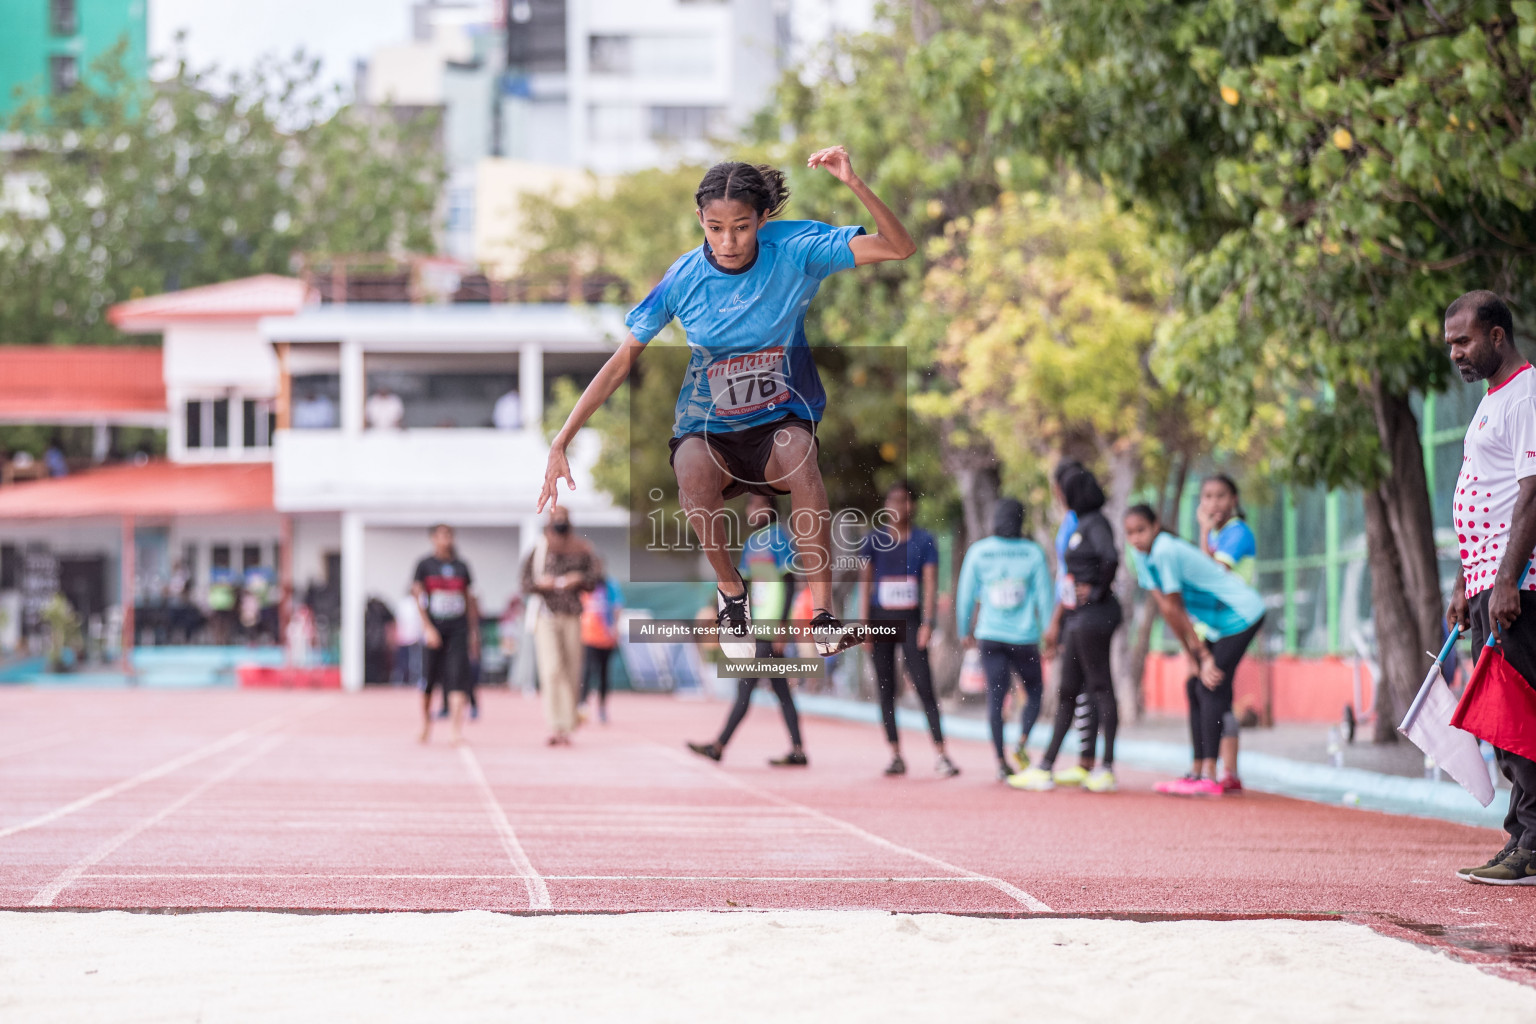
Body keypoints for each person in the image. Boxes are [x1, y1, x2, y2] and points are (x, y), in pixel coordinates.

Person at [536, 149, 917, 664]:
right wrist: (562, 439)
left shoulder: (798, 249)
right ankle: (731, 592)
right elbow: (620, 363)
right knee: (689, 465)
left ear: (762, 220)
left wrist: (855, 181)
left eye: (741, 227)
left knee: (799, 451)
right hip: (710, 428)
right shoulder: (684, 279)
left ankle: (823, 617)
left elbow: (899, 246)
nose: (729, 242)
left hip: (779, 420)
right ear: (701, 222)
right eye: (715, 229)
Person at [1443, 290, 1536, 885]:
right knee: (1503, 722)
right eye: (1451, 343)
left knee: (1521, 717)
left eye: (1465, 340)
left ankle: (1533, 845)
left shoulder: (1527, 391)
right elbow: (1483, 495)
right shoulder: (1491, 398)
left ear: (1497, 335)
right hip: (1485, 585)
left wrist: (1504, 582)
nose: (1456, 353)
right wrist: (1463, 581)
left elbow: (1531, 492)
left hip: (1516, 588)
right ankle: (1521, 837)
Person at [1125, 505, 1265, 795]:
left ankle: (1211, 776)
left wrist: (1202, 656)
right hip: (1220, 625)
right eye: (1129, 533)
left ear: (1155, 527)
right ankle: (1197, 770)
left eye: (1141, 530)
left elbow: (1176, 607)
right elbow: (1167, 610)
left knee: (1209, 686)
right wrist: (1193, 656)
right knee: (1194, 685)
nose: (1136, 538)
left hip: (1243, 614)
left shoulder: (1164, 550)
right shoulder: (1141, 556)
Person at [1014, 465, 1124, 793]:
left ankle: (1106, 768)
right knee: (1067, 691)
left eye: (1061, 490)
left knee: (1101, 687)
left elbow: (1111, 558)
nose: (1058, 496)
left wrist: (1096, 590)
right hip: (1077, 619)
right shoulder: (1079, 525)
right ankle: (1046, 766)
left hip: (1095, 617)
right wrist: (1060, 623)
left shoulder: (1096, 523)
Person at [688, 493, 809, 766]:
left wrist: (782, 626)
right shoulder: (753, 543)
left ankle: (719, 746)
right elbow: (745, 588)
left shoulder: (779, 538)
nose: (751, 511)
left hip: (770, 629)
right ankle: (798, 750)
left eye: (757, 505)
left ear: (769, 509)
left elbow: (789, 583)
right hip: (757, 627)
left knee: (746, 688)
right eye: (749, 506)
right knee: (781, 691)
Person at [859, 482, 960, 778]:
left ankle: (942, 754)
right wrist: (864, 626)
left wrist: (928, 623)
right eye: (892, 500)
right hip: (879, 619)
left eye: (903, 501)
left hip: (911, 620)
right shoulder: (873, 540)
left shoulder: (924, 541)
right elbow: (865, 583)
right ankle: (895, 754)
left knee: (924, 685)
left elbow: (930, 584)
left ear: (912, 505)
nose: (897, 506)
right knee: (885, 687)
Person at [955, 497, 1053, 780]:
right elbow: (1045, 598)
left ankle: (1000, 760)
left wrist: (964, 630)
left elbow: (965, 595)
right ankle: (1021, 743)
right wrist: (1049, 635)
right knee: (1034, 691)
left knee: (996, 698)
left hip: (990, 636)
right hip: (1024, 638)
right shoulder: (1032, 553)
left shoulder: (980, 552)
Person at [521, 506, 601, 745]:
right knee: (552, 668)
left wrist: (579, 579)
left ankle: (568, 724)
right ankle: (557, 725)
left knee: (571, 668)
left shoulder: (583, 548)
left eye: (563, 519)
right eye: (555, 519)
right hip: (546, 614)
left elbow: (595, 578)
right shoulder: (539, 549)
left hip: (573, 615)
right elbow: (525, 582)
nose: (559, 523)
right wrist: (541, 584)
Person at [412, 524, 481, 746]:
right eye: (440, 535)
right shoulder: (424, 566)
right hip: (434, 629)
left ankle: (455, 729)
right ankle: (425, 725)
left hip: (458, 630)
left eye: (448, 535)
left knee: (457, 678)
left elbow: (469, 599)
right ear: (433, 538)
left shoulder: (462, 567)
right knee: (429, 680)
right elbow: (418, 598)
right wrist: (427, 627)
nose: (445, 539)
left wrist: (472, 632)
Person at [580, 565, 623, 724]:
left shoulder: (610, 585)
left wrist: (616, 628)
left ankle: (602, 708)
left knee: (604, 675)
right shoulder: (584, 586)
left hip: (606, 638)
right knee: (587, 672)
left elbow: (618, 607)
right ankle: (582, 706)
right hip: (588, 637)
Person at [1197, 474, 1257, 584]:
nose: (1214, 503)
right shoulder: (1212, 532)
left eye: (1220, 496)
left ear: (1234, 499)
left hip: (1238, 600)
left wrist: (1204, 530)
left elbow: (1214, 574)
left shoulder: (1238, 532)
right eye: (1208, 496)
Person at [393, 588, 425, 687]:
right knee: (406, 660)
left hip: (413, 636)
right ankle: (404, 679)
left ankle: (415, 678)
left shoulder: (418, 602)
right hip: (407, 636)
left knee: (415, 661)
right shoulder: (408, 603)